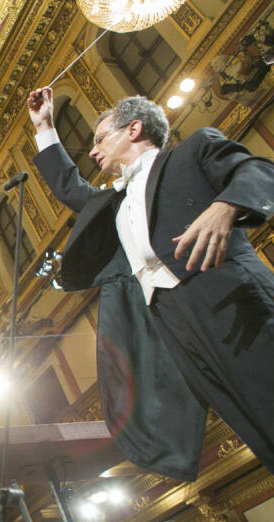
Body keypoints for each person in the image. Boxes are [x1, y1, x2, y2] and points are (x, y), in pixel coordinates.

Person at [27, 88, 274, 481]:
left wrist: (225, 207)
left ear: (134, 129)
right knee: (248, 420)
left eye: (100, 139)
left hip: (226, 296)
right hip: (171, 321)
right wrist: (44, 127)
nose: (93, 152)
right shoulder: (114, 201)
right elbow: (70, 188)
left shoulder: (192, 151)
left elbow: (259, 170)